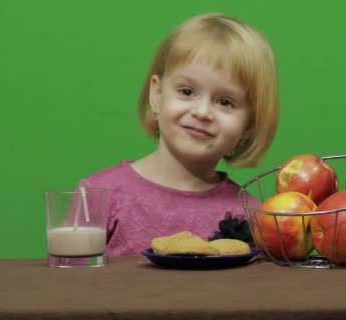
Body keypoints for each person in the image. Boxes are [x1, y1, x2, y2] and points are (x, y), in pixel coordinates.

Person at [79, 12, 279, 256]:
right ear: (157, 95)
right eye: (187, 91)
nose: (203, 112)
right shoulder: (99, 197)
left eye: (225, 102)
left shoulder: (250, 214)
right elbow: (68, 287)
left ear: (249, 123)